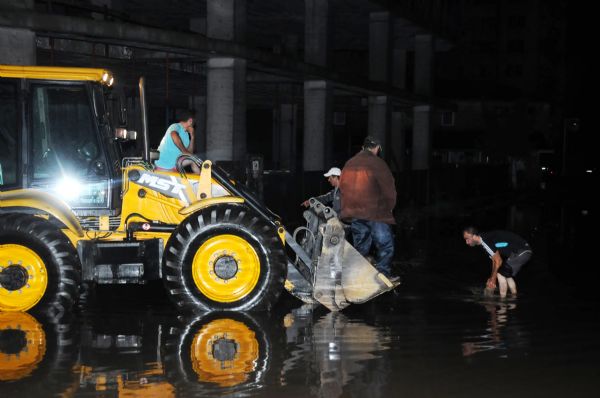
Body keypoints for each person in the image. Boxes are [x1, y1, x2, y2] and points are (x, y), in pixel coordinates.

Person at [339, 135, 399, 282]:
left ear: (362, 147)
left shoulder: (349, 163)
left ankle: (355, 277)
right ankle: (383, 275)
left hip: (354, 212)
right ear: (377, 148)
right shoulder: (377, 163)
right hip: (374, 211)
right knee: (385, 244)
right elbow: (388, 188)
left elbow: (342, 188)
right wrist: (390, 207)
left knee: (361, 247)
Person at [462, 227, 532, 297]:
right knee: (507, 275)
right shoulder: (485, 241)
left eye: (467, 239)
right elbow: (494, 260)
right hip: (521, 252)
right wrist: (491, 277)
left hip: (522, 251)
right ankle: (514, 296)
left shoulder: (485, 240)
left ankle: (503, 303)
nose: (466, 242)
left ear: (474, 236)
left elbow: (499, 261)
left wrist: (493, 279)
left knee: (500, 274)